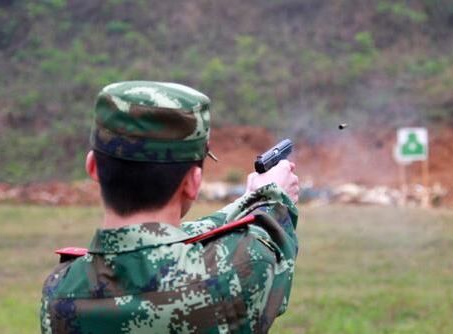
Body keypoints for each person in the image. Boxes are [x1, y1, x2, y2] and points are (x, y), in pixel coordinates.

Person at [40, 81, 300, 333]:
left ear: (93, 166)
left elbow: (154, 243)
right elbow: (269, 241)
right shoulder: (233, 273)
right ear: (193, 183)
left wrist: (245, 201)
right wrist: (273, 195)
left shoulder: (59, 291)